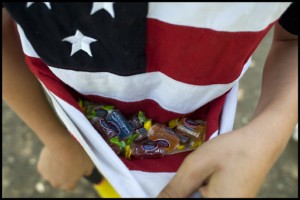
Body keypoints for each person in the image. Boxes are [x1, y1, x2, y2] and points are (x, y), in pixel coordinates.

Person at [2, 2, 298, 198]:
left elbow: (292, 38)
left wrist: (269, 132)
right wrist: (56, 139)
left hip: (202, 143)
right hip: (80, 127)